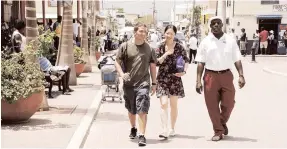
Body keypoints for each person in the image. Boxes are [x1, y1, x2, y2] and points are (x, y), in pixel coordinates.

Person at [195, 16, 246, 141]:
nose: (216, 25)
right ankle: (218, 131)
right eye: (213, 23)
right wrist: (198, 80)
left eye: (218, 23)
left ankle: (221, 123)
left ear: (222, 25)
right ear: (210, 26)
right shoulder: (205, 42)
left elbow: (237, 59)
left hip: (226, 75)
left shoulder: (230, 40)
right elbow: (200, 62)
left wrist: (241, 75)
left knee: (229, 103)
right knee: (212, 106)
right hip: (210, 76)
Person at [115, 23, 157, 147]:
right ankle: (133, 128)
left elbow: (152, 66)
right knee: (131, 109)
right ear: (135, 32)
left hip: (143, 83)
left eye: (145, 32)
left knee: (142, 109)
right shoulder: (125, 46)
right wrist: (122, 75)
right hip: (129, 84)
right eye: (141, 31)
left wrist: (154, 83)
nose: (144, 34)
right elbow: (117, 62)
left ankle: (142, 135)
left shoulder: (149, 48)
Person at [156, 25, 189, 139]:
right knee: (164, 103)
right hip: (162, 78)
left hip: (175, 78)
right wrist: (166, 54)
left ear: (174, 35)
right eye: (167, 33)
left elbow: (186, 60)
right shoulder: (160, 47)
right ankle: (164, 129)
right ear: (164, 33)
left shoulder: (179, 47)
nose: (169, 35)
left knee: (173, 105)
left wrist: (184, 71)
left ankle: (172, 128)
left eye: (171, 33)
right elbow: (156, 62)